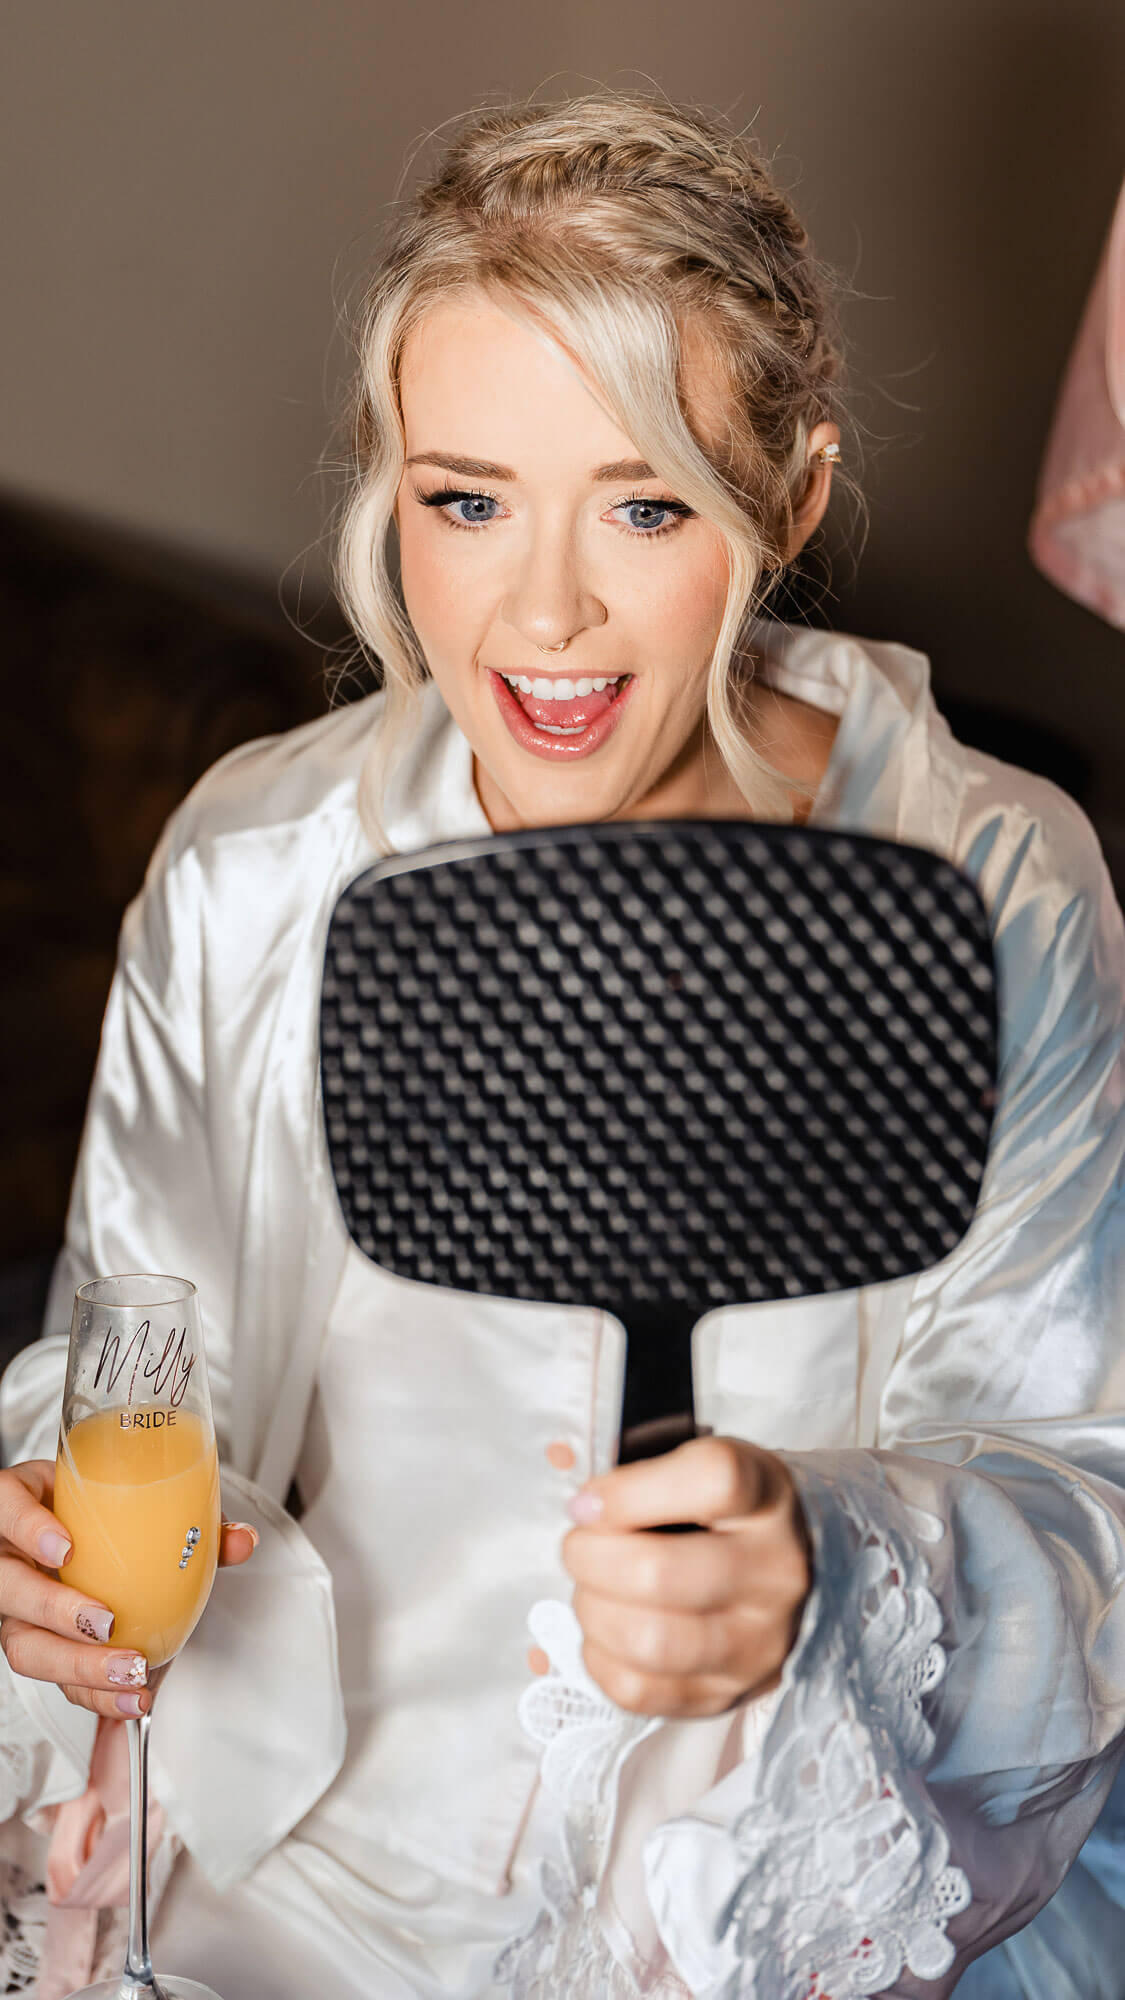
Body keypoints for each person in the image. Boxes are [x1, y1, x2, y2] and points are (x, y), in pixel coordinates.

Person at [0, 88, 1123, 2000]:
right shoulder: (260, 867)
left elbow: (1086, 1485)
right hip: (299, 1862)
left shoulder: (988, 883)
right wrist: (42, 1506)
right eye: (464, 500)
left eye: (645, 500)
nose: (539, 615)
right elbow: (128, 1355)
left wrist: (828, 1562)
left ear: (790, 501)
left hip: (756, 1864)